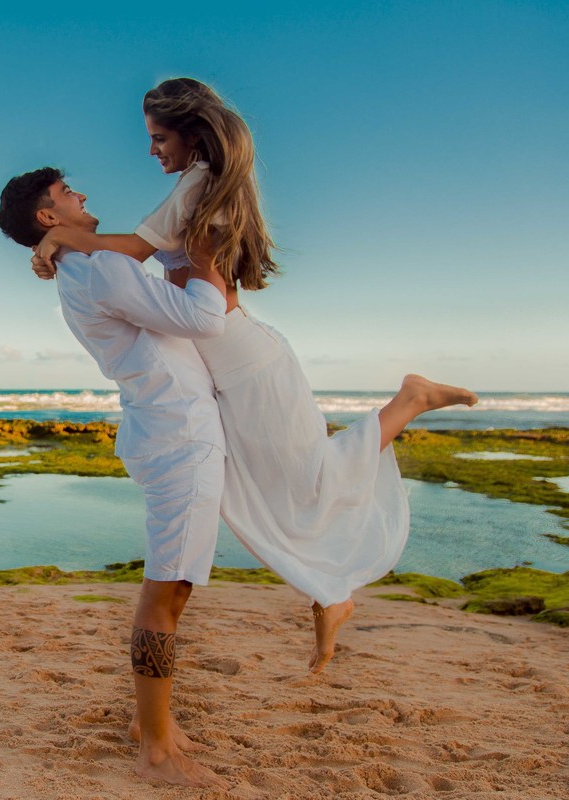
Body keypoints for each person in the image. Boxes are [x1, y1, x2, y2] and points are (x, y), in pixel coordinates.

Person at [29, 77, 478, 673]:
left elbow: (135, 251)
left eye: (158, 137)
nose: (151, 150)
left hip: (247, 361)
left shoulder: (200, 180)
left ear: (191, 133)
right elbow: (140, 258)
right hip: (228, 368)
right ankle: (329, 594)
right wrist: (61, 240)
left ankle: (411, 400)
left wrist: (58, 236)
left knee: (308, 480)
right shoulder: (201, 182)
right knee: (267, 493)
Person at [0, 167, 232, 789]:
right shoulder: (100, 267)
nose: (82, 196)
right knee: (166, 591)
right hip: (178, 433)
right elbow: (205, 318)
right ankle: (154, 744)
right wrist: (207, 256)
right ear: (49, 216)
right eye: (69, 192)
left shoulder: (86, 265)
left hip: (167, 425)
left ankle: (150, 724)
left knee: (174, 587)